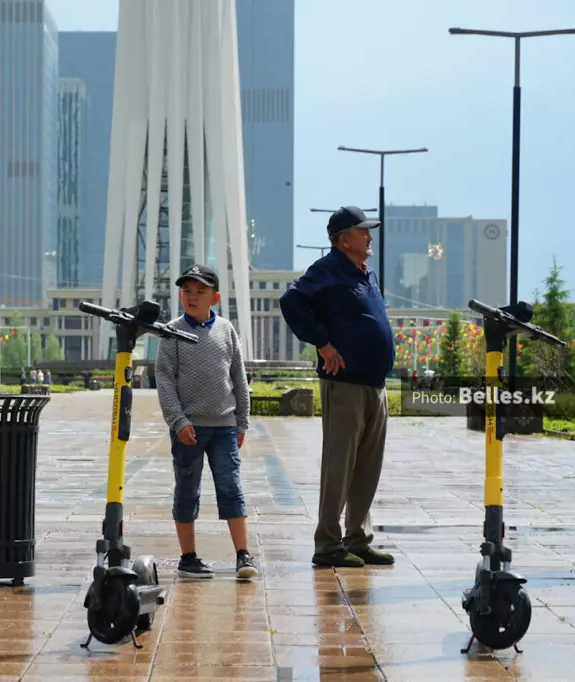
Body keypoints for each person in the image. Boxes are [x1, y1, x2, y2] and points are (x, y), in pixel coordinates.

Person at [279, 206, 396, 568]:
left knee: (367, 466)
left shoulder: (366, 272)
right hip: (344, 383)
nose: (370, 237)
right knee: (339, 466)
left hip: (374, 384)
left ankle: (357, 539)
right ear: (344, 239)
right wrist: (322, 342)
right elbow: (291, 301)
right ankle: (328, 545)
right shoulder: (327, 269)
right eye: (363, 231)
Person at [155, 263, 258, 580]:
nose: (192, 296)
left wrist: (242, 422)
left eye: (200, 292)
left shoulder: (226, 331)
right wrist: (178, 420)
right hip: (188, 429)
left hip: (225, 427)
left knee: (231, 488)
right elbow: (165, 380)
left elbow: (239, 378)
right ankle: (188, 557)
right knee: (187, 490)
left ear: (215, 297)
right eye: (187, 290)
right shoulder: (171, 332)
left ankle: (243, 555)